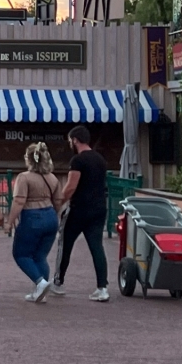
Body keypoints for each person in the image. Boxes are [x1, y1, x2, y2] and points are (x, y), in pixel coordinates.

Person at [51, 125, 110, 301]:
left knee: (65, 244)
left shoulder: (78, 161)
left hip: (79, 210)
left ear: (75, 140)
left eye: (70, 140)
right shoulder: (101, 160)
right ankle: (102, 287)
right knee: (97, 247)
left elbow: (70, 187)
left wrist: (58, 203)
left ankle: (58, 282)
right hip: (99, 208)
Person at [6, 142, 61, 303]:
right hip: (50, 216)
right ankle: (40, 291)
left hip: (32, 217)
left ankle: (40, 282)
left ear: (28, 159)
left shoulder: (24, 178)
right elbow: (58, 201)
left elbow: (19, 201)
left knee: (21, 254)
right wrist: (53, 216)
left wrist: (9, 222)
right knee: (40, 256)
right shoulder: (53, 178)